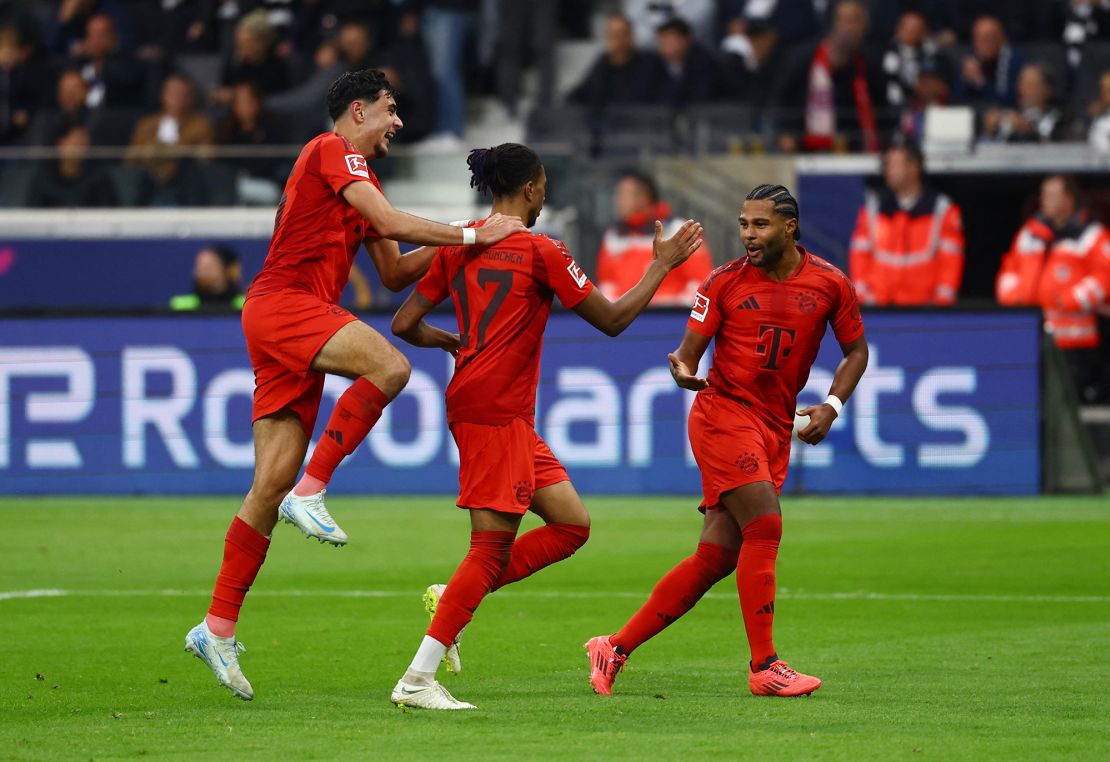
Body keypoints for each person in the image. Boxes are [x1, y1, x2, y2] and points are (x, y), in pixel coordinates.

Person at [182, 69, 526, 702]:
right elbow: (391, 220)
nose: (398, 123)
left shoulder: (357, 180)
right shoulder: (328, 149)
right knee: (391, 367)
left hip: (283, 322)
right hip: (285, 304)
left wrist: (466, 243)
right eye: (391, 110)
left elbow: (394, 273)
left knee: (267, 483)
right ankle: (315, 490)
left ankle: (217, 626)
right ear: (359, 110)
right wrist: (476, 234)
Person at [388, 143, 704, 710]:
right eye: (545, 183)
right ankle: (416, 678)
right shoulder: (541, 250)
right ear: (531, 188)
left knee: (571, 525)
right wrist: (660, 265)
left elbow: (405, 322)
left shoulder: (461, 240)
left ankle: (454, 597)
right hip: (497, 410)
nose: (546, 192)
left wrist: (454, 342)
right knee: (489, 548)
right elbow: (611, 320)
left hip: (482, 402)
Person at [584, 184, 869, 699]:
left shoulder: (831, 283)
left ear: (789, 226)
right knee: (766, 522)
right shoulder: (722, 282)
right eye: (742, 224)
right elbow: (687, 354)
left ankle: (613, 647)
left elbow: (856, 352)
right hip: (722, 415)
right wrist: (681, 370)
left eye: (759, 225)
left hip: (773, 425)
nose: (747, 235)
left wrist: (832, 404)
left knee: (715, 558)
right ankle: (765, 666)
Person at [996, 175, 1110, 403]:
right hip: (1032, 336)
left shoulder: (1091, 234)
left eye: (1051, 195)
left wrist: (1073, 298)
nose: (1044, 201)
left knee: (1072, 403)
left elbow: (1104, 274)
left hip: (1076, 341)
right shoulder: (1031, 233)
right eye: (1043, 195)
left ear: (1068, 199)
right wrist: (1012, 296)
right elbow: (1009, 268)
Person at [848, 142, 965, 305]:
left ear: (914, 168)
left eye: (895, 164)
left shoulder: (942, 209)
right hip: (879, 307)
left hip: (924, 310)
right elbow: (859, 256)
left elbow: (950, 262)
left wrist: (941, 304)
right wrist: (863, 297)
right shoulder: (873, 207)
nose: (888, 171)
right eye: (887, 164)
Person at [775, 0, 885, 153]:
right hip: (806, 150)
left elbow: (881, 109)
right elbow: (781, 100)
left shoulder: (871, 64)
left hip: (855, 151)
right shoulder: (803, 60)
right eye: (846, 21)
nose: (851, 28)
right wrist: (785, 132)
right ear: (832, 24)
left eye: (857, 21)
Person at [597, 170, 714, 306]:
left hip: (671, 320)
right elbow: (607, 284)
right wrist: (618, 311)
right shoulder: (613, 236)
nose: (618, 200)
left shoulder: (680, 230)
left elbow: (701, 282)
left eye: (624, 195)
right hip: (627, 321)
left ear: (643, 197)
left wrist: (673, 311)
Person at [125, 74, 215, 206]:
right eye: (172, 93)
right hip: (148, 180)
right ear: (163, 96)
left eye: (182, 94)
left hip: (184, 182)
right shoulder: (146, 124)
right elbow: (130, 158)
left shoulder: (201, 125)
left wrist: (174, 150)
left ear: (190, 98)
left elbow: (206, 159)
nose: (176, 98)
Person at [567, 14, 661, 108]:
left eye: (621, 34)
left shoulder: (649, 63)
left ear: (630, 36)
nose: (617, 40)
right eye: (612, 35)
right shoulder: (603, 63)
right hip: (606, 121)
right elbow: (582, 92)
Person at [25, 124, 118, 207]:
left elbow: (110, 210)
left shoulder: (98, 175)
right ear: (61, 144)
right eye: (77, 143)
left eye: (85, 144)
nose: (82, 149)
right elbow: (33, 211)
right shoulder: (44, 176)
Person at [980, 62, 1070, 143]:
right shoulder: (1007, 116)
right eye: (1021, 84)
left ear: (1047, 90)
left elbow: (1059, 150)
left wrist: (1027, 130)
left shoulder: (1060, 121)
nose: (1023, 90)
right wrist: (989, 132)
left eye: (1030, 85)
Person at [952, 15, 1024, 109]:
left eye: (989, 39)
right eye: (980, 39)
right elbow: (956, 102)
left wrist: (981, 82)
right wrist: (965, 80)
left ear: (1002, 39)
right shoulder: (970, 61)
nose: (984, 44)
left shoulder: (1015, 62)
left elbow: (1010, 103)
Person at [170, 245, 246, 311]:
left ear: (226, 270)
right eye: (199, 267)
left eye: (208, 267)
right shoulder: (179, 306)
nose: (201, 272)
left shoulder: (245, 305)